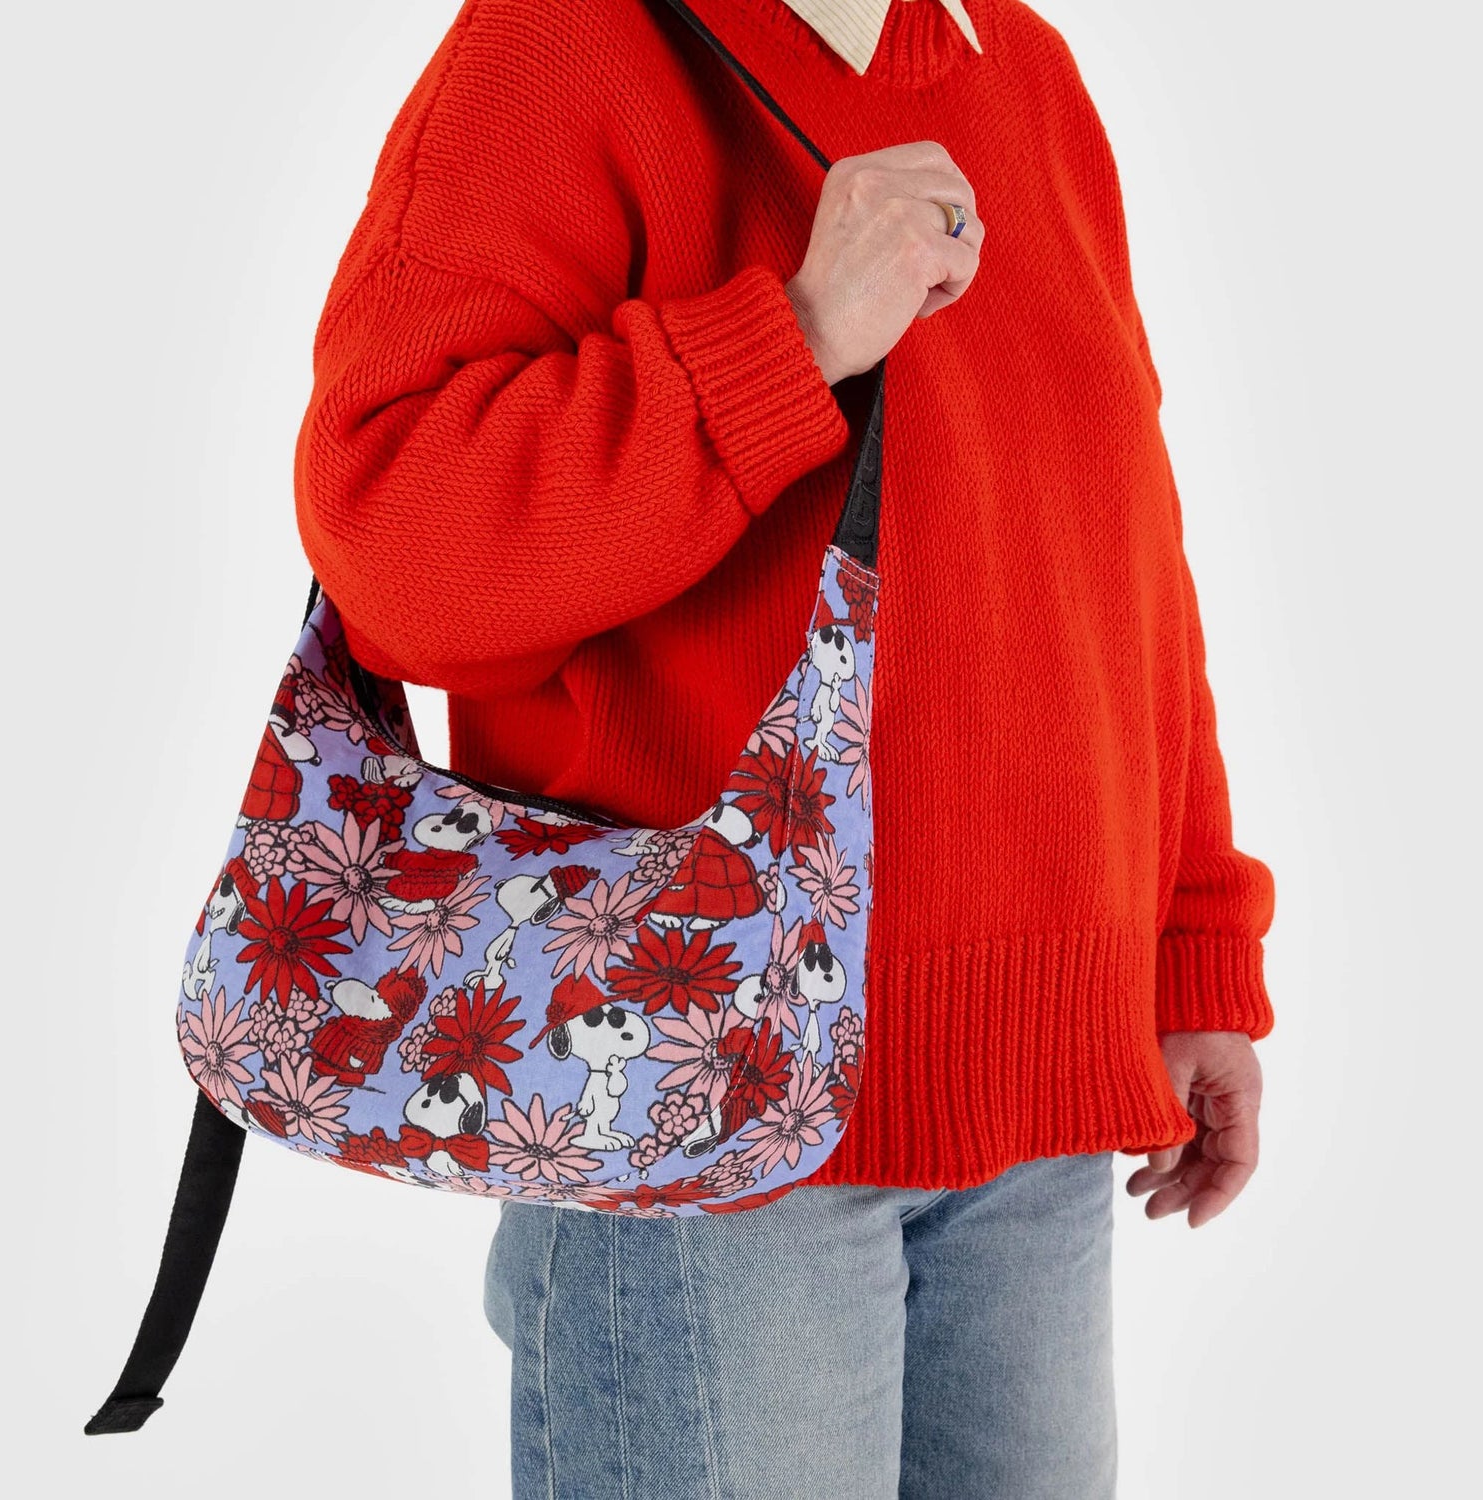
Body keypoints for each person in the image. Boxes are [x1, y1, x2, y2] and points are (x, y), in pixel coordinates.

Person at [292, 0, 1276, 1493]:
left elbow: (1118, 542)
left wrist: (1193, 945)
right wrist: (795, 338)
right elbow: (396, 548)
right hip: (707, 1110)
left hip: (1046, 1112)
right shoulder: (561, 49)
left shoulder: (1023, 69)